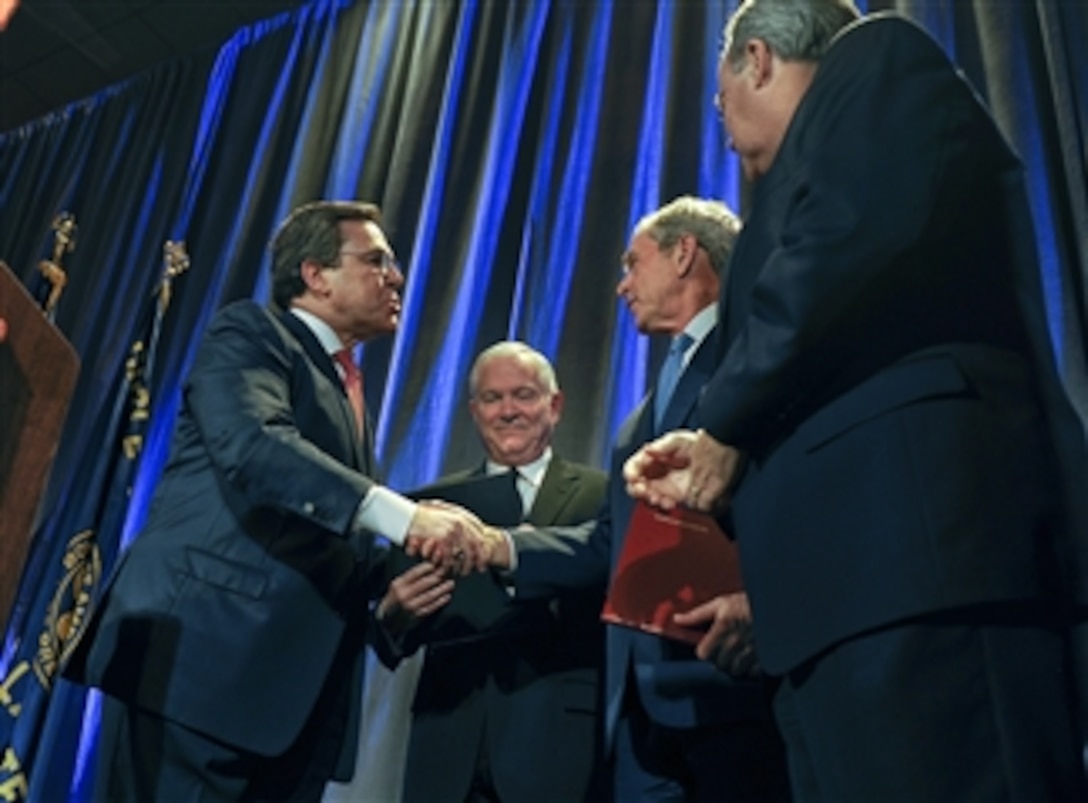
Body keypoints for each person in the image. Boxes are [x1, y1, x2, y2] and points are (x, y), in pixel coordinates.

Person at [624, 2, 1088, 800]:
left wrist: (723, 425)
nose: (725, 130)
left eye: (718, 100)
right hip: (834, 613)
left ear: (758, 60)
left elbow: (839, 248)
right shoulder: (797, 183)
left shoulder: (878, 62)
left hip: (925, 579)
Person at [63, 200, 494, 802]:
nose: (396, 277)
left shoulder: (349, 391)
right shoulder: (251, 332)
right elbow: (256, 448)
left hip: (288, 705)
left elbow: (316, 535)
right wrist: (405, 517)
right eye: (376, 261)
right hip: (205, 674)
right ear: (315, 275)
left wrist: (391, 591)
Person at [489, 197, 789, 802]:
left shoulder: (759, 359)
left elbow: (797, 497)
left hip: (732, 691)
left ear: (684, 254)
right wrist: (499, 547)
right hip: (639, 707)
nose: (622, 285)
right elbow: (610, 544)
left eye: (633, 263)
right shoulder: (639, 418)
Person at [372, 340, 609, 802]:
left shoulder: (603, 496)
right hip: (448, 743)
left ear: (554, 405)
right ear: (473, 410)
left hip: (557, 743)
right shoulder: (427, 507)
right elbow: (390, 640)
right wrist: (394, 614)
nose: (507, 411)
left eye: (523, 395)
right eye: (492, 398)